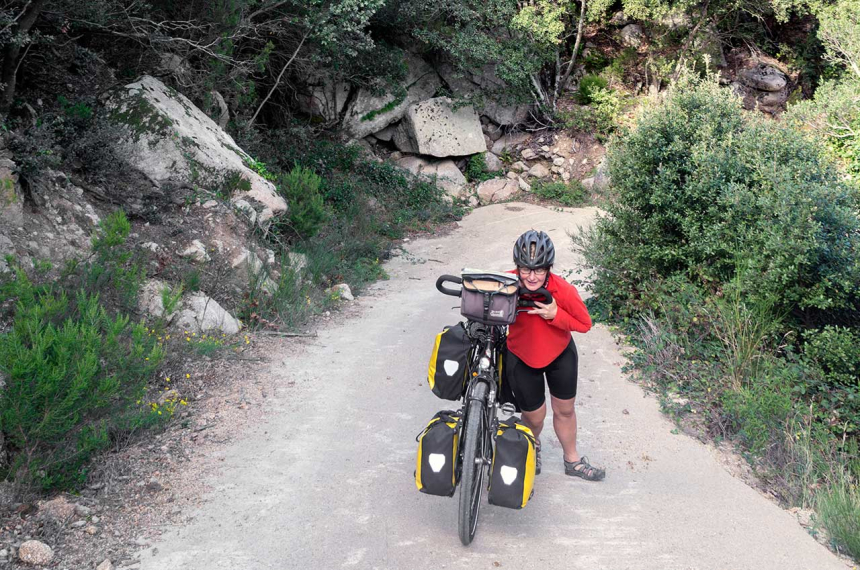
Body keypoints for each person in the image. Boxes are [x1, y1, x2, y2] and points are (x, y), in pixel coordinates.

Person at [505, 229, 605, 480]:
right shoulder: (506, 284)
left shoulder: (563, 290)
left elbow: (585, 324)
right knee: (534, 416)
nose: (531, 276)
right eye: (525, 269)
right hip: (521, 356)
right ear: (517, 266)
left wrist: (556, 315)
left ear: (548, 267)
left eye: (539, 269)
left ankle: (572, 460)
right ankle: (532, 446)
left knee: (565, 410)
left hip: (560, 355)